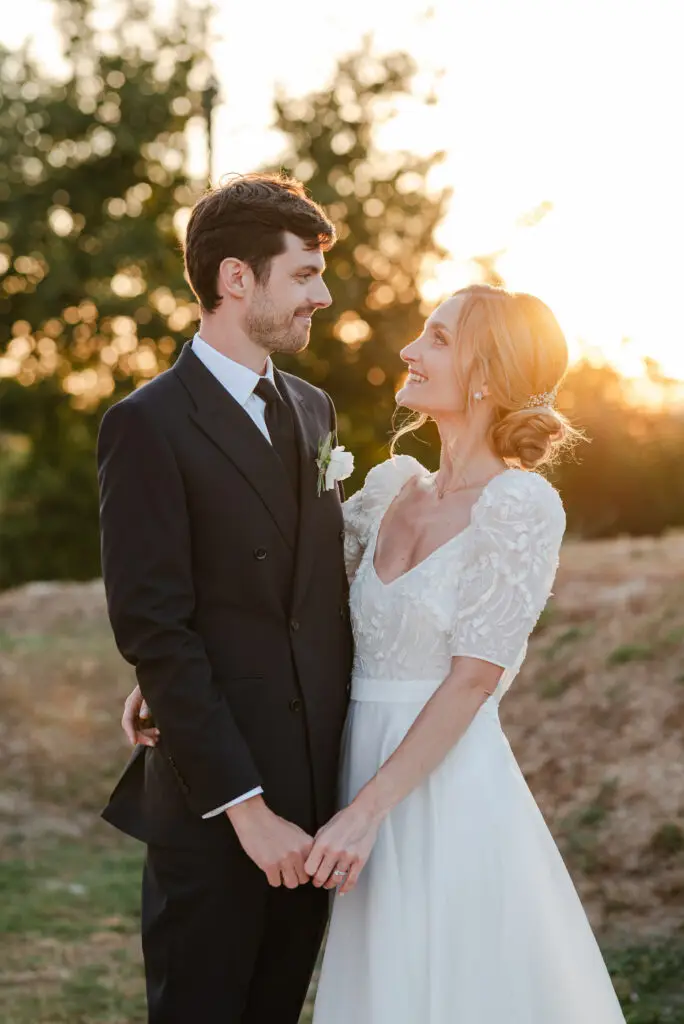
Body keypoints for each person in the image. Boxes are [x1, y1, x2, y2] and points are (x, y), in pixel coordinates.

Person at [123, 283, 628, 1022]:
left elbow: (472, 680)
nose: (409, 351)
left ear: (488, 372)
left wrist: (367, 813)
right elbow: (298, 606)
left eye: (437, 337)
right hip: (340, 762)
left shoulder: (519, 508)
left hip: (437, 787)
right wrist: (174, 674)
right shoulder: (389, 489)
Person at [97, 173, 354, 1024]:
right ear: (236, 279)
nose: (323, 295)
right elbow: (153, 625)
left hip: (316, 807)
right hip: (217, 805)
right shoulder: (147, 423)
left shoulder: (316, 410)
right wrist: (248, 814)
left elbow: (306, 595)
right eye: (306, 275)